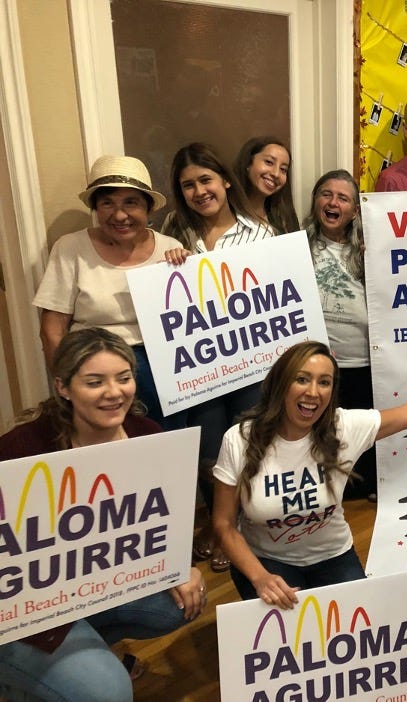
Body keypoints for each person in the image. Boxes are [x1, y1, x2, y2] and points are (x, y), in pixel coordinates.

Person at [213, 342, 407, 608]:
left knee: (352, 637)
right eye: (302, 379)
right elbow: (224, 524)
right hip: (266, 561)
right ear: (281, 383)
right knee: (289, 646)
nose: (313, 392)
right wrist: (260, 576)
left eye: (324, 382)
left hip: (331, 557)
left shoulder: (344, 427)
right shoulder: (239, 439)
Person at [0, 328, 205, 702]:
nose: (114, 392)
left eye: (124, 378)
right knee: (108, 692)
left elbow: (162, 518)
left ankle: (77, 658)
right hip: (26, 612)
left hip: (92, 583)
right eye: (95, 382)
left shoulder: (146, 433)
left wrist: (182, 565)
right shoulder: (20, 448)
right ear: (63, 387)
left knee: (178, 605)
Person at [163, 142, 276, 572]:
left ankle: (246, 525)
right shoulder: (173, 232)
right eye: (188, 185)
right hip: (200, 367)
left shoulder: (259, 232)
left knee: (247, 444)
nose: (199, 191)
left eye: (206, 180)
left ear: (226, 180)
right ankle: (218, 522)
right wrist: (169, 259)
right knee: (208, 451)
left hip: (250, 363)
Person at [32, 155, 180, 429]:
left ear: (148, 208)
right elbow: (51, 330)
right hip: (96, 361)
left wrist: (185, 267)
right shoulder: (70, 249)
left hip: (164, 359)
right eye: (107, 203)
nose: (119, 215)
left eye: (130, 203)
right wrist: (67, 386)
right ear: (95, 208)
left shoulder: (170, 247)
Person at [302, 170, 375, 500]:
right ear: (316, 201)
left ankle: (362, 488)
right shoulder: (296, 246)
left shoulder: (368, 248)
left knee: (359, 432)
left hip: (362, 360)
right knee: (320, 433)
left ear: (354, 211)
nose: (333, 202)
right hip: (315, 365)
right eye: (326, 194)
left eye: (343, 198)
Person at [232, 136, 300, 233]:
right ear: (248, 163)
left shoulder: (284, 217)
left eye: (283, 169)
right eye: (269, 162)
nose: (276, 174)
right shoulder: (224, 212)